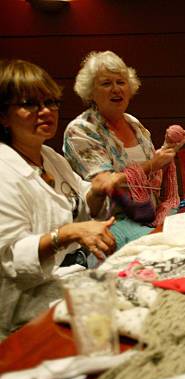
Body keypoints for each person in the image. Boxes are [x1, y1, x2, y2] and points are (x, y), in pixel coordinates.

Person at [0, 59, 119, 339]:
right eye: (30, 104)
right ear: (3, 116)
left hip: (59, 283)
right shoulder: (4, 169)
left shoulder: (51, 158)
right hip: (17, 309)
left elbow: (82, 207)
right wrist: (68, 233)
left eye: (51, 102)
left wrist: (98, 190)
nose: (46, 112)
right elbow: (10, 257)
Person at [64, 51, 185, 248]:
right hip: (112, 225)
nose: (116, 89)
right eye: (106, 83)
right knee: (178, 246)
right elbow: (107, 183)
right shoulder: (80, 130)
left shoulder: (133, 123)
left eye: (121, 82)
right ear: (90, 92)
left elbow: (148, 172)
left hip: (149, 215)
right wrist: (153, 163)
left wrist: (168, 150)